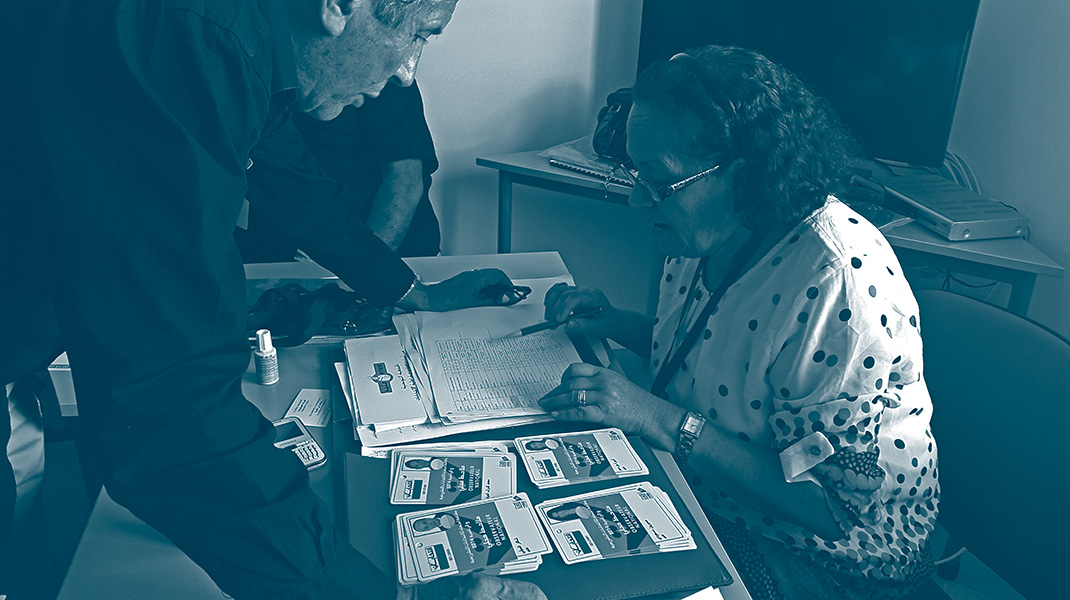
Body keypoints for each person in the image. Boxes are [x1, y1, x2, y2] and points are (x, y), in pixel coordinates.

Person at [1, 1, 543, 599]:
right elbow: (170, 404)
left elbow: (291, 182)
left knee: (25, 557)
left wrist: (409, 290)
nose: (409, 71)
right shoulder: (194, 41)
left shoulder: (241, 37)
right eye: (419, 35)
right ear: (341, 5)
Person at [539, 46, 937, 600]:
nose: (636, 200)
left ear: (742, 175)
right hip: (709, 489)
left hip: (831, 556)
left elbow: (830, 507)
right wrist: (619, 323)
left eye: (657, 180)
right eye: (634, 173)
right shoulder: (709, 227)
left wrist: (657, 418)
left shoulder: (835, 279)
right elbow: (730, 347)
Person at [238, 81, 442, 261]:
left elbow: (404, 183)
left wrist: (369, 267)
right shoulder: (257, 79)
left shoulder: (384, 75)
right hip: (279, 253)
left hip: (388, 254)